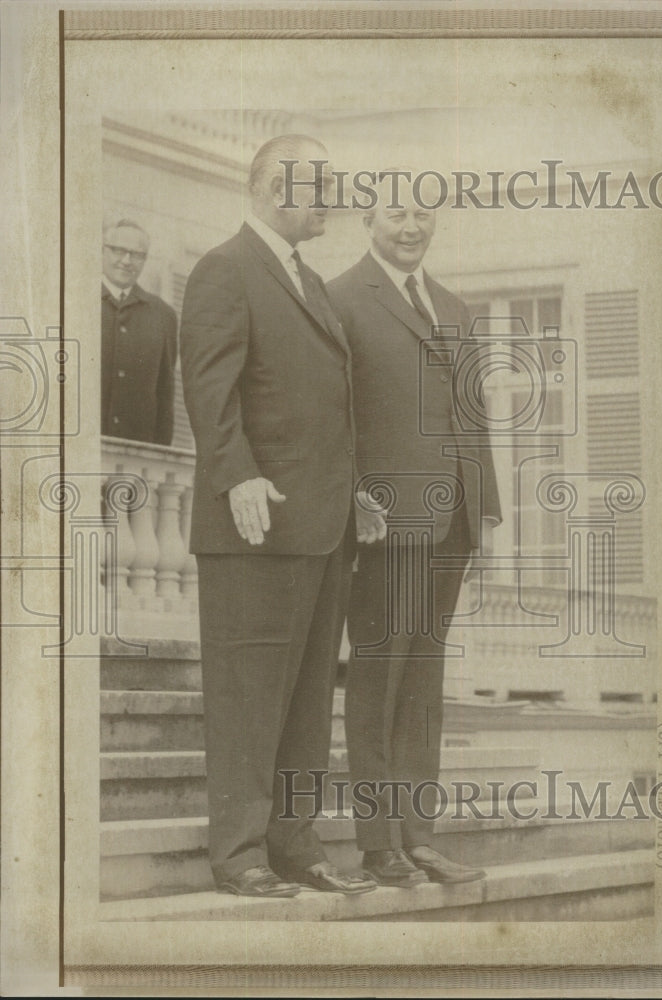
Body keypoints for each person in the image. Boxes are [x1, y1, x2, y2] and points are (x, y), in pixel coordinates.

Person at [180, 135, 378, 898]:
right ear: (270, 187)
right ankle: (238, 856)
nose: (331, 195)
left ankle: (296, 845)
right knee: (247, 695)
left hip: (322, 529)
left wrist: (353, 488)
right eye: (318, 183)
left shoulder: (313, 283)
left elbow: (323, 408)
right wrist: (236, 477)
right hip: (254, 528)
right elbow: (209, 387)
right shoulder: (225, 269)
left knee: (302, 702)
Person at [327, 174, 502, 888]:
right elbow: (330, 416)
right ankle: (377, 846)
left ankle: (419, 837)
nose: (411, 225)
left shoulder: (455, 307)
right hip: (385, 521)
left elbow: (475, 414)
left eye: (422, 212)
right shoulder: (338, 300)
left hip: (453, 522)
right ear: (368, 219)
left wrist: (484, 510)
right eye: (396, 212)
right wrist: (353, 497)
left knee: (424, 683)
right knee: (378, 678)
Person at [101, 219, 177, 444]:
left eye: (136, 254)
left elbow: (165, 397)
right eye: (119, 251)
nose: (126, 261)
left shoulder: (163, 316)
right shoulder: (72, 299)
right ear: (103, 251)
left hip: (136, 460)